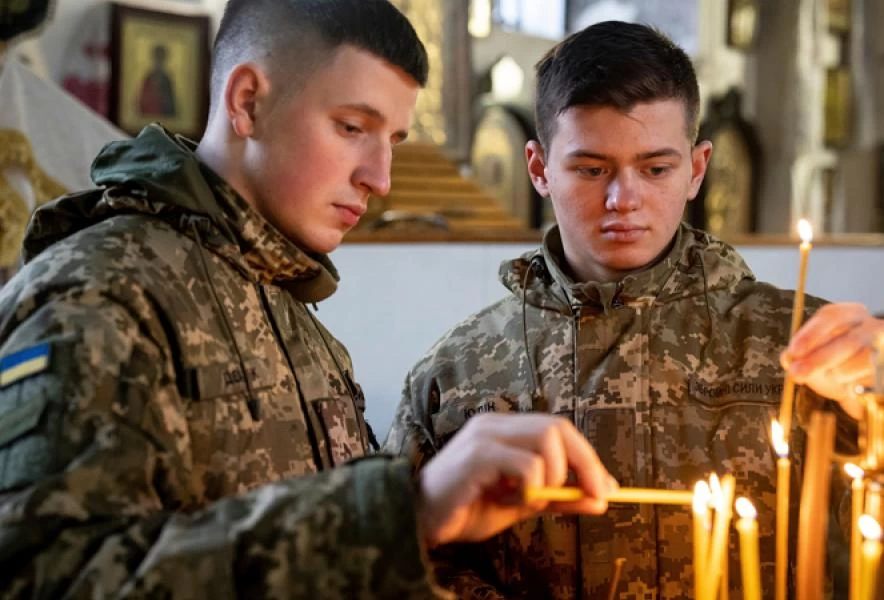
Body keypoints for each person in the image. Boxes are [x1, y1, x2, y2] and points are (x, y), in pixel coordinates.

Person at [0, 1, 617, 597]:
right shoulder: (100, 292)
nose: (380, 178)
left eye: (394, 141)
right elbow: (47, 576)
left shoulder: (294, 314)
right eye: (353, 127)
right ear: (248, 101)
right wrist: (403, 510)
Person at [385, 21, 884, 599]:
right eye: (592, 169)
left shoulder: (801, 346)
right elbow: (387, 566)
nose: (624, 199)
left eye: (655, 167)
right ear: (540, 168)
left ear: (697, 168)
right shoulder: (457, 375)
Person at [138, 44, 177, 118]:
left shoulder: (167, 79)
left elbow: (171, 103)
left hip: (164, 115)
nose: (159, 62)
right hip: (148, 114)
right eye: (157, 58)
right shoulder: (149, 77)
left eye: (161, 59)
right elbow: (142, 100)